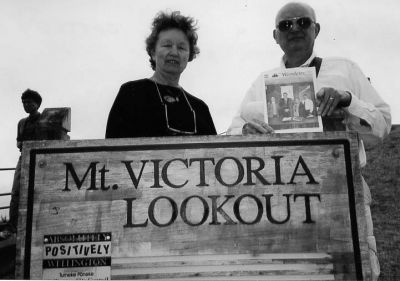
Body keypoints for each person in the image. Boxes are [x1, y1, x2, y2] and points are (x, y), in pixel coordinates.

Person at [227, 3, 391, 280]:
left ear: (316, 29)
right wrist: (245, 132)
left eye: (303, 22)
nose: (294, 29)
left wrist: (348, 102)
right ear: (275, 36)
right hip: (280, 204)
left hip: (342, 196)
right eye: (285, 25)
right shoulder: (261, 83)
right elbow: (234, 130)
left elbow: (382, 127)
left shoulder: (345, 70)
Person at [106, 11, 216, 138]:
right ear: (153, 52)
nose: (174, 52)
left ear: (190, 55)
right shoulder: (131, 93)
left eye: (181, 47)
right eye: (167, 45)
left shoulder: (200, 109)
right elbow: (112, 152)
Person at [6, 89, 43, 236]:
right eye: (24, 102)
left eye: (29, 102)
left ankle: (33, 226)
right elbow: (19, 143)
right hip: (24, 158)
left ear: (37, 104)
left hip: (40, 160)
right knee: (16, 192)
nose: (26, 105)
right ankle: (12, 228)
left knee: (37, 193)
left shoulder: (44, 120)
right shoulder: (22, 123)